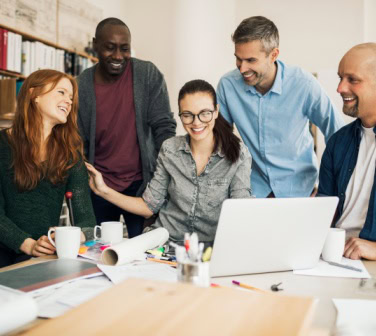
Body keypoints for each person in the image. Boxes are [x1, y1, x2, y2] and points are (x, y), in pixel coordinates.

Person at [86, 79, 252, 246]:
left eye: (204, 113)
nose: (196, 122)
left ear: (216, 111)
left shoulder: (239, 154)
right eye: (187, 115)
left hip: (210, 250)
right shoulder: (170, 149)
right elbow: (148, 207)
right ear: (180, 115)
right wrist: (103, 190)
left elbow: (241, 214)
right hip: (165, 245)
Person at [217, 16, 344, 198]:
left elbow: (338, 134)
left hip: (301, 191)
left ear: (274, 55)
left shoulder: (303, 84)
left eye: (251, 60)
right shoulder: (227, 86)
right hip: (253, 192)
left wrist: (326, 187)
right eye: (238, 59)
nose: (242, 68)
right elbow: (218, 141)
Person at [77, 17, 176, 238]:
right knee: (101, 253)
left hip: (142, 186)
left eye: (125, 48)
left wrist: (165, 176)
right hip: (99, 188)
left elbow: (164, 127)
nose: (118, 56)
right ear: (95, 45)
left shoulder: (147, 75)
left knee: (145, 250)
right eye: (110, 48)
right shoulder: (81, 85)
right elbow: (77, 141)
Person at [0, 69, 96, 267]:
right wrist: (27, 244)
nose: (69, 101)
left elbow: (86, 222)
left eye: (71, 97)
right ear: (34, 95)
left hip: (42, 258)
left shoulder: (70, 156)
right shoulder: (1, 144)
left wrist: (67, 238)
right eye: (61, 92)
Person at [318, 43, 376, 261]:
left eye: (353, 80)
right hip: (334, 257)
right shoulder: (337, 142)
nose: (340, 88)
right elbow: (324, 209)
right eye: (340, 77)